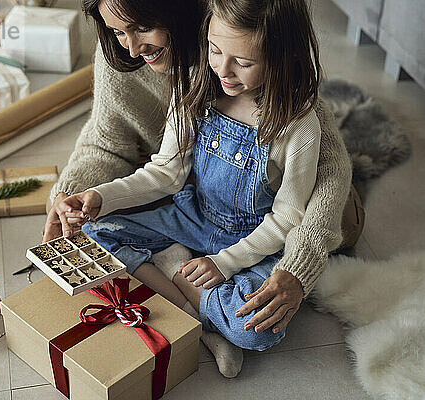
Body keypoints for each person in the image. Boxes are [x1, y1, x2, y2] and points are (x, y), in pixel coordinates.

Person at [47, 0, 353, 378]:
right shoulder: (193, 82)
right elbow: (165, 172)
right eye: (214, 51)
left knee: (256, 330)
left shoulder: (298, 123)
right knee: (97, 233)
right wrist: (99, 196)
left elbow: (289, 216)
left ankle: (181, 280)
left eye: (242, 62)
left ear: (281, 56)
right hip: (196, 214)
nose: (223, 70)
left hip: (254, 236)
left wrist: (225, 264)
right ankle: (199, 317)